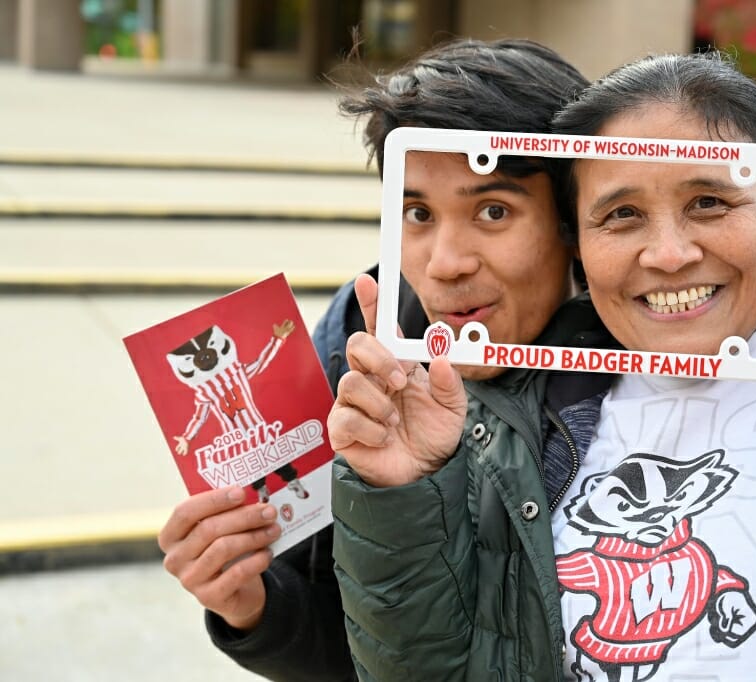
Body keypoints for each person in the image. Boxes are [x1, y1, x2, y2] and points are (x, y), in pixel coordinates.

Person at [330, 51, 756, 681]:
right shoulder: (515, 405)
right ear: (580, 242)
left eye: (709, 203)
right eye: (622, 214)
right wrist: (398, 498)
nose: (667, 253)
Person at [156, 38, 588, 681]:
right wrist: (253, 608)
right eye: (416, 212)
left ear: (573, 218)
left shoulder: (649, 366)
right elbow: (352, 649)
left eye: (493, 211)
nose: (445, 263)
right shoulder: (356, 347)